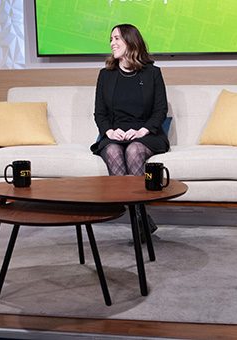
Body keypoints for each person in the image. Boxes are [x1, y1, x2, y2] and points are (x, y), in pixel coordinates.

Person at [90, 23, 170, 236]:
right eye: (111, 39)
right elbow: (100, 113)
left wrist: (143, 130)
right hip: (113, 134)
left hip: (146, 134)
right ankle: (141, 219)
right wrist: (109, 132)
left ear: (130, 41)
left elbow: (160, 110)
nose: (112, 43)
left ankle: (137, 222)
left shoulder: (152, 73)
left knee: (134, 150)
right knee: (114, 151)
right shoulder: (105, 75)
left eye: (117, 38)